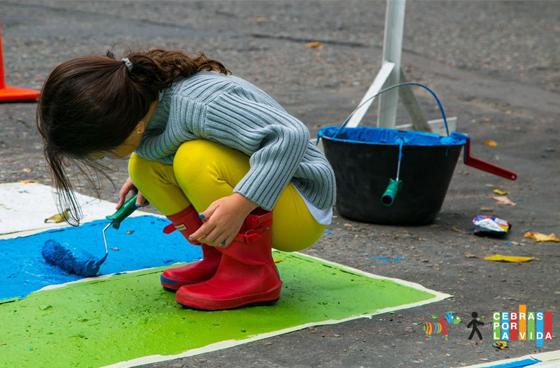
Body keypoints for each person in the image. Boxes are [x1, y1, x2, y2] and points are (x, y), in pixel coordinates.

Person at [36, 48, 337, 310]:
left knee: (194, 157)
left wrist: (242, 201)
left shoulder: (201, 104)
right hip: (275, 198)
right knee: (142, 166)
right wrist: (150, 178)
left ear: (130, 126)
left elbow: (289, 135)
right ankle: (220, 258)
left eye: (104, 151)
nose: (105, 158)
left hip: (304, 205)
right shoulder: (149, 107)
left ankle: (252, 272)